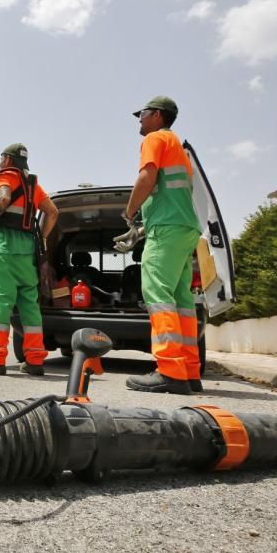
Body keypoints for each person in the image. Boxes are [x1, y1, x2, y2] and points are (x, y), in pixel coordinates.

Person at [116, 96, 202, 394]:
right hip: (183, 227)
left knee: (157, 293)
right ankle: (189, 371)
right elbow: (169, 195)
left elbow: (146, 177)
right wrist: (140, 230)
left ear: (156, 115)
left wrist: (129, 214)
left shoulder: (155, 139)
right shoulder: (177, 146)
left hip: (167, 229)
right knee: (181, 301)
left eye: (142, 114)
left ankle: (169, 370)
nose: (139, 120)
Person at [0, 143, 58, 376]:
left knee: (2, 305)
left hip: (5, 252)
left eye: (1, 158)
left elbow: (3, 199)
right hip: (28, 256)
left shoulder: (5, 176)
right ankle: (35, 360)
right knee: (30, 307)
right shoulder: (33, 185)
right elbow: (53, 212)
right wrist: (43, 238)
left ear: (7, 160)